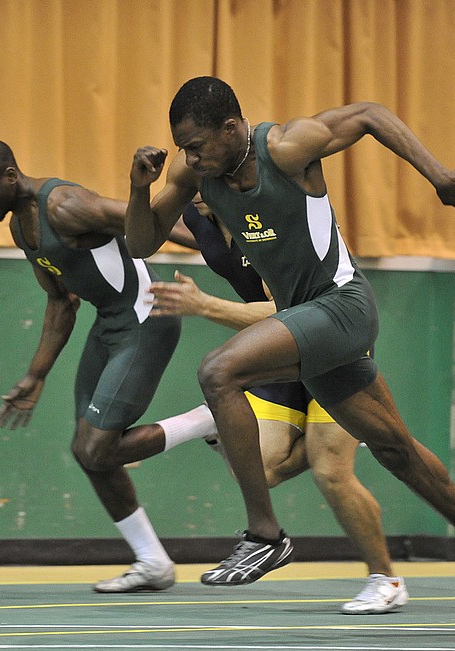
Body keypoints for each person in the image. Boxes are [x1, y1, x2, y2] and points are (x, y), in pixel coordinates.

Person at [124, 76, 455, 629]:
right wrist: (138, 190)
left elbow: (369, 114)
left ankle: (264, 534)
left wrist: (438, 177)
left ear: (231, 127)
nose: (190, 157)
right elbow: (142, 243)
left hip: (343, 305)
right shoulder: (195, 172)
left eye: (198, 144)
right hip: (307, 324)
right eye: (183, 148)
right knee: (396, 450)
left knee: (219, 371)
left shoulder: (286, 148)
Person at [0, 138, 220, 593]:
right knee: (87, 452)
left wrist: (218, 247)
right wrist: (36, 375)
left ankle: (208, 420)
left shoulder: (64, 205)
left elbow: (145, 219)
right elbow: (62, 304)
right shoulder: (22, 228)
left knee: (99, 448)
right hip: (109, 326)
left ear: (9, 176)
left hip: (145, 320)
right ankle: (153, 563)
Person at [153, 198, 408, 614]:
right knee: (262, 469)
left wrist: (206, 306)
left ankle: (387, 579)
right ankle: (325, 434)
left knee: (332, 472)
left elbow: (286, 311)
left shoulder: (269, 221)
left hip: (329, 341)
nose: (197, 171)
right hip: (278, 354)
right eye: (189, 161)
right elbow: (146, 227)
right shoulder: (199, 217)